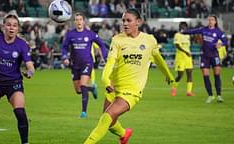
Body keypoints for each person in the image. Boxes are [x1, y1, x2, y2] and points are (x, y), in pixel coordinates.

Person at [84, 8, 175, 144]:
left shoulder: (149, 40)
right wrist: (106, 80)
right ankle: (123, 134)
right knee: (109, 121)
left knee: (107, 117)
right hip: (114, 87)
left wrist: (168, 75)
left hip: (132, 91)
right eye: (123, 21)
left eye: (128, 20)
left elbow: (158, 58)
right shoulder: (117, 40)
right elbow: (110, 63)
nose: (125, 24)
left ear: (138, 22)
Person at [0, 12, 34, 144]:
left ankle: (25, 142)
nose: (11, 28)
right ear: (4, 26)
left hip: (13, 84)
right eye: (8, 25)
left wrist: (30, 72)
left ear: (18, 28)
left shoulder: (22, 45)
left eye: (14, 25)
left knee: (20, 112)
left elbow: (30, 65)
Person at [61, 12, 107, 118]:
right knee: (78, 90)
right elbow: (64, 47)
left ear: (83, 21)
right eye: (76, 20)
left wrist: (104, 56)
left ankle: (84, 112)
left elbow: (101, 44)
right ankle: (91, 89)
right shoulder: (70, 34)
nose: (78, 22)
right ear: (74, 22)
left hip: (87, 63)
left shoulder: (90, 34)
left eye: (80, 19)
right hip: (74, 64)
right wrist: (64, 57)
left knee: (82, 84)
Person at [182, 15, 227, 103]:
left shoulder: (218, 32)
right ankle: (210, 95)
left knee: (217, 75)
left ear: (215, 22)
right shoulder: (203, 29)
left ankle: (219, 95)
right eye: (209, 20)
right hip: (204, 56)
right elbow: (193, 31)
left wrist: (220, 44)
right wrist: (184, 32)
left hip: (214, 56)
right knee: (205, 75)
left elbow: (225, 41)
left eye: (212, 20)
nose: (210, 21)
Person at [171, 22, 195, 97]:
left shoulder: (188, 35)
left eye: (185, 26)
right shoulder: (177, 35)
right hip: (180, 58)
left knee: (189, 74)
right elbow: (177, 45)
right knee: (180, 75)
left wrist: (188, 54)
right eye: (182, 26)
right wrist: (185, 52)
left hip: (188, 58)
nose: (183, 28)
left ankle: (189, 92)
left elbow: (188, 46)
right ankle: (174, 88)